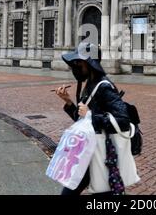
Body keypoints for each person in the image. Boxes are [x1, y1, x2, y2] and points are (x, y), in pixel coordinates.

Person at [55, 42, 131, 196]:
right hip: (87, 152)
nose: (74, 66)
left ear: (88, 63)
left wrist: (91, 115)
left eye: (78, 62)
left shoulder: (105, 86)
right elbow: (83, 121)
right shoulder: (89, 84)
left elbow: (123, 120)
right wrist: (69, 102)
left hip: (100, 156)